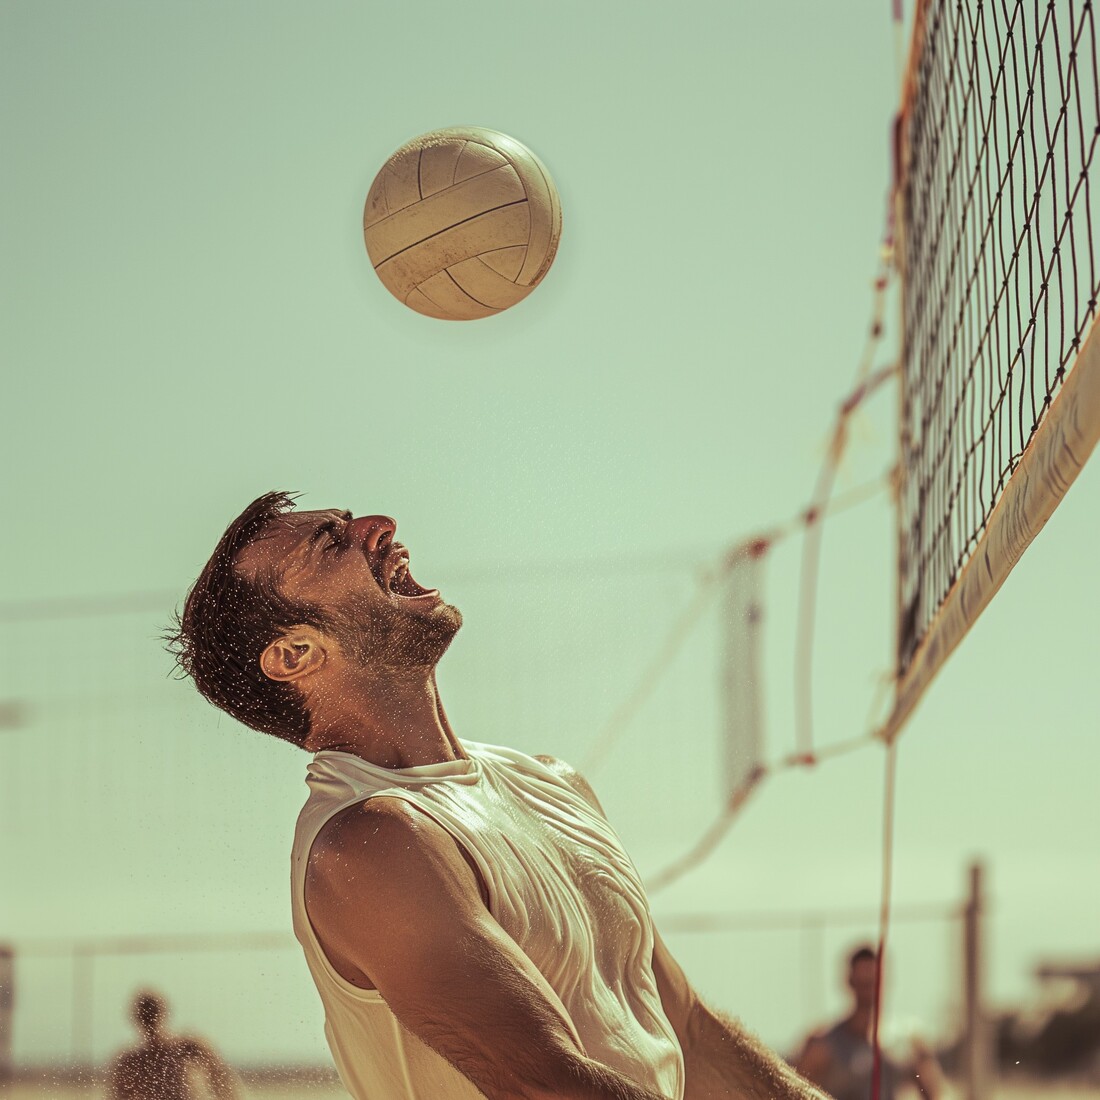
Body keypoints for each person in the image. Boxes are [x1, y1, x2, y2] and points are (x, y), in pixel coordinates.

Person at [168, 491, 830, 1100]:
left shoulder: (550, 783)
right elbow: (552, 1085)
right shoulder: (365, 846)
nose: (378, 525)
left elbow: (685, 1028)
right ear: (295, 655)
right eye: (330, 543)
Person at [795, 946, 941, 1100]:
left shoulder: (909, 1041)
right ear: (850, 981)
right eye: (863, 982)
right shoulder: (823, 1045)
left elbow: (936, 1094)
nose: (868, 989)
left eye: (873, 981)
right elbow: (795, 1093)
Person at [106, 990, 239, 1100]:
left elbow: (225, 1083)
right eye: (145, 1013)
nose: (149, 1018)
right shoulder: (129, 1060)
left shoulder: (190, 1046)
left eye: (152, 1011)